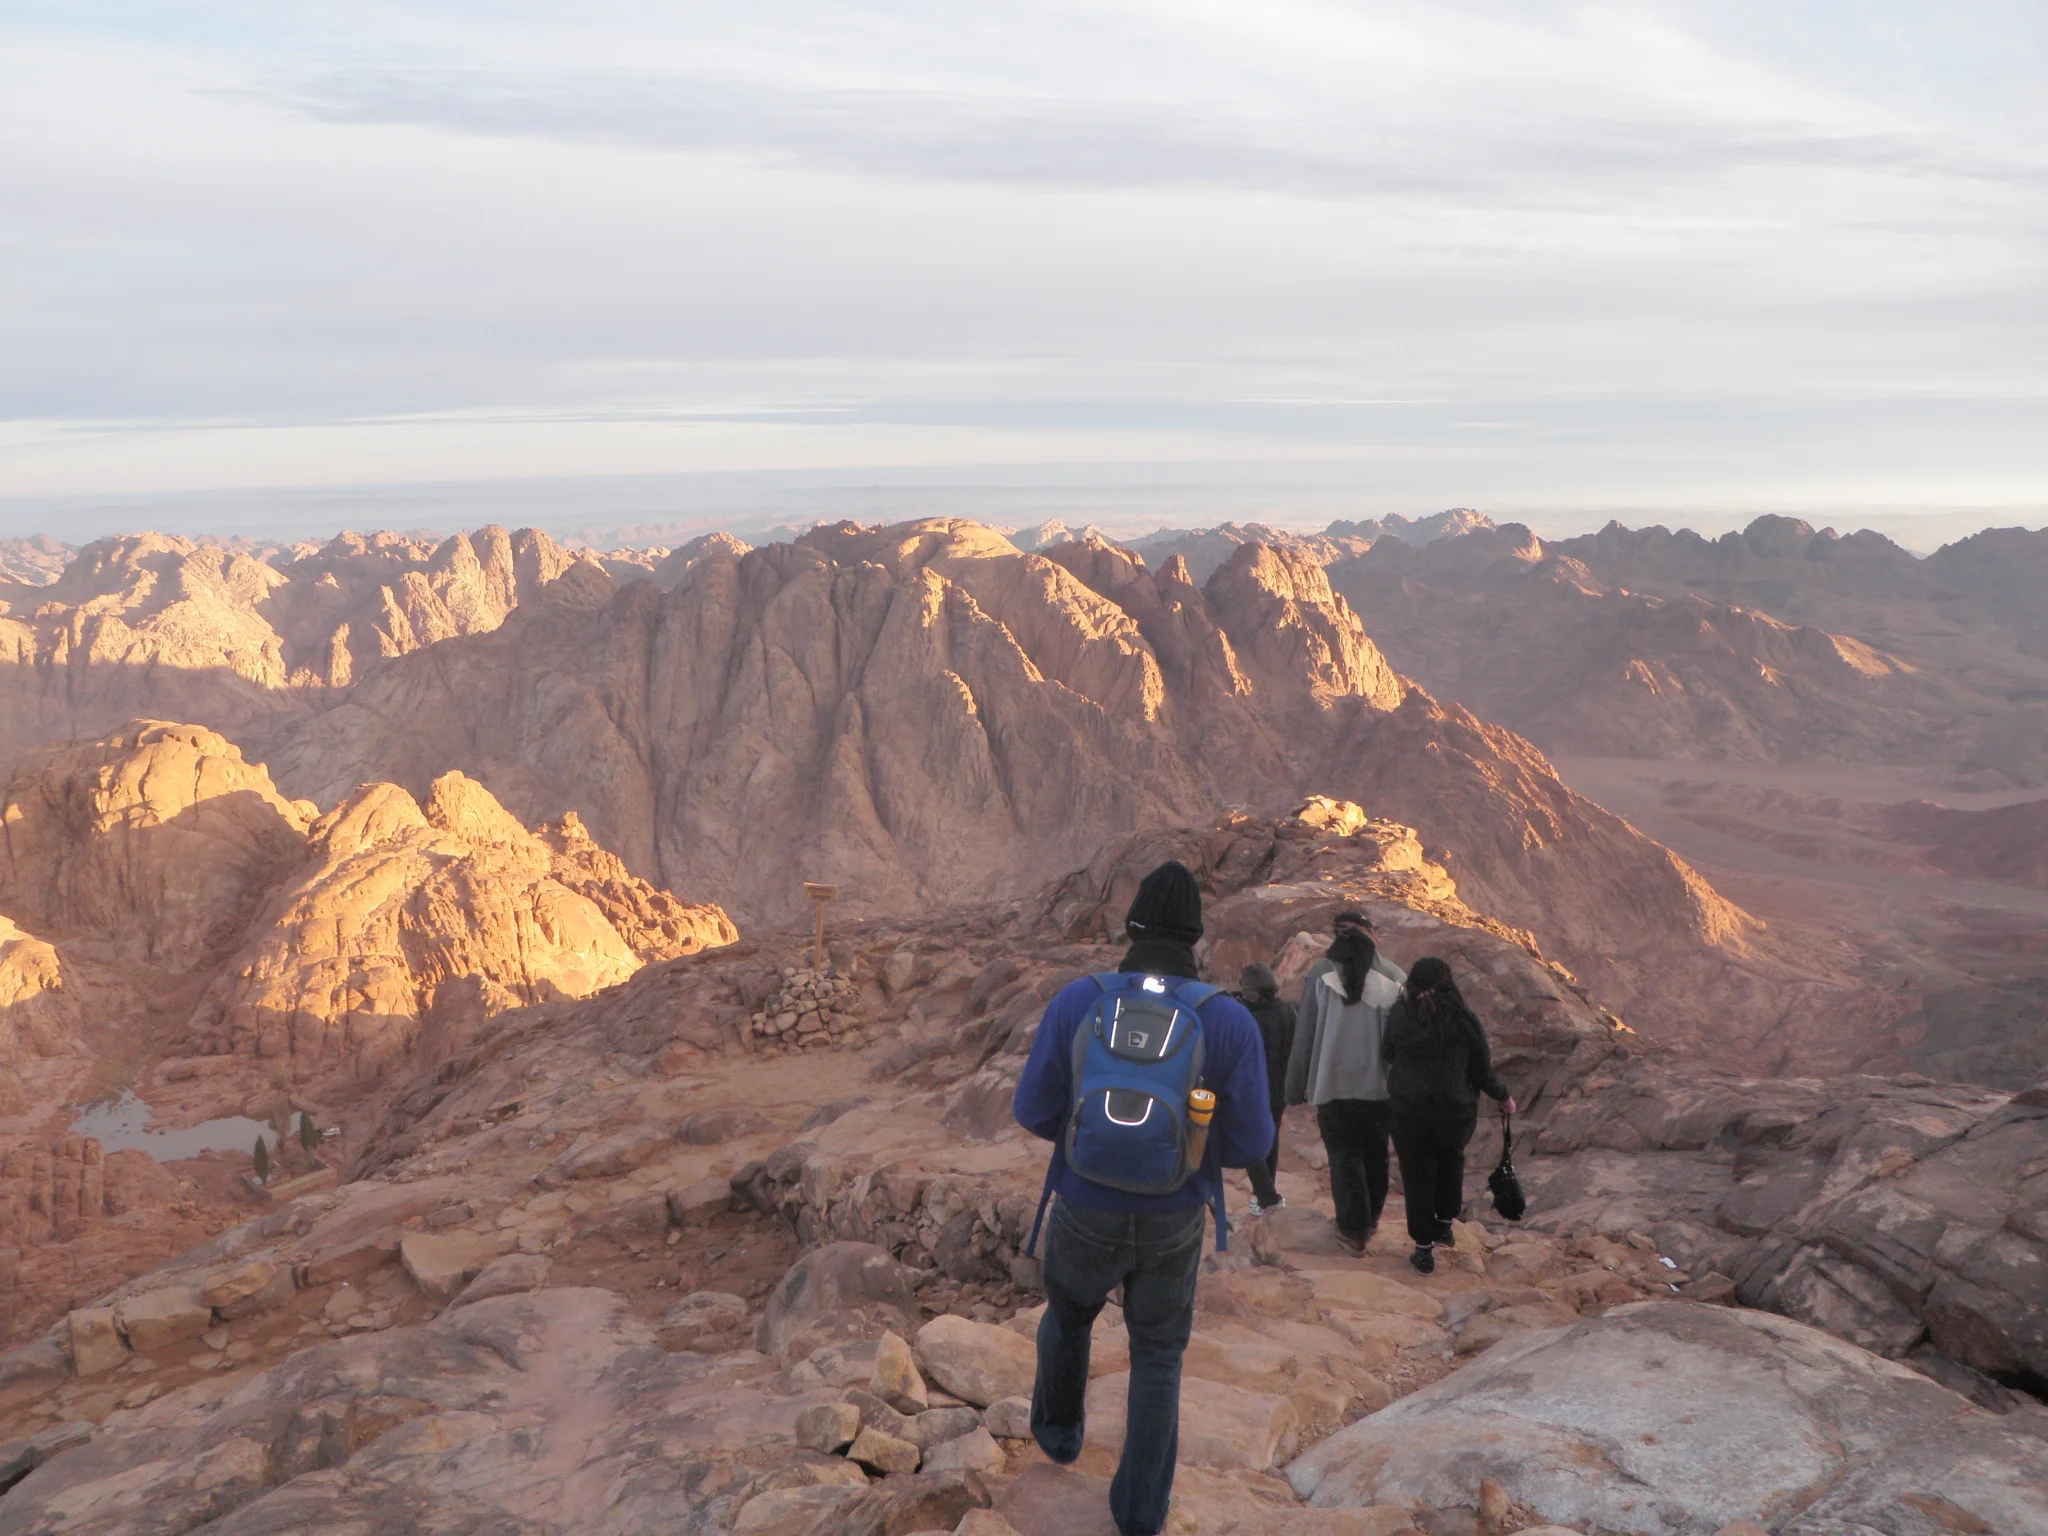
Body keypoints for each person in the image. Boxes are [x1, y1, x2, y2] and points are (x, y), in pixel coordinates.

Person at [1013, 861, 1273, 1536]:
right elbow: (1251, 1143)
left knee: (1068, 1316)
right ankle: (1139, 1513)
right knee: (1157, 1355)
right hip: (1174, 1216)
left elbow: (1033, 1110)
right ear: (1195, 936)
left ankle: (1059, 1437)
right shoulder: (1226, 1020)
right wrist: (1188, 1144)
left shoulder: (1079, 1001)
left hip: (1083, 1203)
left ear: (1131, 927)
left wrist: (1092, 1138)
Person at [1383, 956, 1515, 1276]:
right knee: (1451, 1162)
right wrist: (1503, 1096)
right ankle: (1444, 1225)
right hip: (1454, 1113)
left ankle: (1423, 1251)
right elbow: (1481, 1070)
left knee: (1417, 1175)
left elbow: (1387, 1052)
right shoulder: (1464, 1018)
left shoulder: (1400, 1013)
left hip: (1409, 1111)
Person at [1284, 919, 1402, 1255]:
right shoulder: (1394, 977)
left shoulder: (1321, 975)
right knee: (1376, 1155)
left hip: (1332, 1086)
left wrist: (1294, 1087)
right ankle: (1370, 1222)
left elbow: (1305, 1033)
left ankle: (1353, 1231)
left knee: (1344, 1157)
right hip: (1380, 1088)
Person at [1235, 962, 1295, 1215]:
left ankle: (1267, 1197)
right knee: (1270, 1139)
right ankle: (1265, 1195)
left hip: (1254, 1090)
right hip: (1280, 1089)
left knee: (1250, 1142)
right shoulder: (1288, 1010)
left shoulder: (1248, 1017)